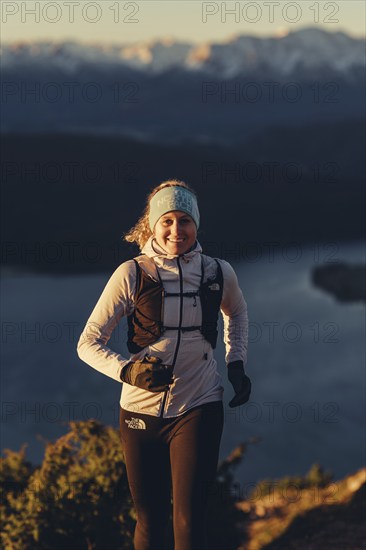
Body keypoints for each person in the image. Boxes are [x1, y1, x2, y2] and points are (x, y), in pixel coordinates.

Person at [77, 179, 251, 550]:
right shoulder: (133, 274)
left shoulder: (217, 272)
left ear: (197, 225)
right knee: (150, 519)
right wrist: (127, 371)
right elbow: (88, 343)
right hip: (139, 411)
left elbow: (237, 313)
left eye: (184, 220)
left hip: (198, 404)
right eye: (167, 220)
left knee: (189, 517)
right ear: (153, 225)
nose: (176, 230)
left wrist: (235, 361)